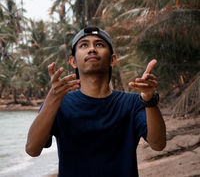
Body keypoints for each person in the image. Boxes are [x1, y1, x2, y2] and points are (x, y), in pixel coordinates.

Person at [26, 26, 166, 177]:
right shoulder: (59, 103)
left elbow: (158, 144)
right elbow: (32, 149)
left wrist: (149, 99)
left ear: (113, 59)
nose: (92, 49)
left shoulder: (133, 103)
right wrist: (52, 97)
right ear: (73, 61)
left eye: (99, 44)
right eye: (84, 45)